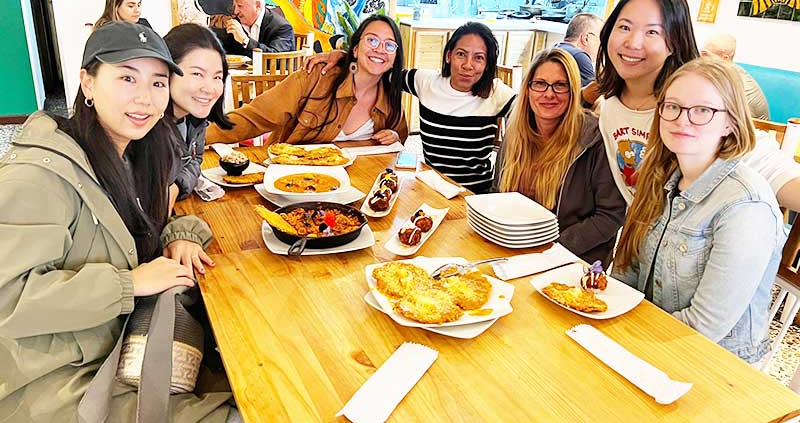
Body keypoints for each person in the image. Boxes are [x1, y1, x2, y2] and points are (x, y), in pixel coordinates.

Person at [0, 22, 238, 421]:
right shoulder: (37, 175)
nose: (144, 98)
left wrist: (180, 233)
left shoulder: (135, 154)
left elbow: (130, 234)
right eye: (127, 77)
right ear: (87, 84)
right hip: (56, 380)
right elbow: (8, 300)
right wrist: (129, 284)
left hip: (122, 340)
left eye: (158, 83)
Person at [612, 57, 785, 364]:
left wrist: (624, 343)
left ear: (730, 122)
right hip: (648, 343)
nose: (682, 120)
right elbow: (626, 274)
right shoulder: (659, 178)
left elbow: (703, 327)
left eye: (703, 110)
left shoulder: (745, 205)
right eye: (673, 106)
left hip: (714, 367)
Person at [595, 0, 800, 211]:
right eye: (625, 27)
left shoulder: (691, 110)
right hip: (645, 236)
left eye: (652, 32)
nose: (633, 42)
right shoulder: (609, 108)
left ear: (674, 42)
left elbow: (767, 165)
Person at [305, 21, 515, 193]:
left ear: (487, 64)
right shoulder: (426, 81)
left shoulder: (497, 93)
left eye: (479, 58)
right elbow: (380, 68)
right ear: (449, 56)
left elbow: (532, 113)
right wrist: (345, 57)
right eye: (461, 54)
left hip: (476, 193)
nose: (468, 65)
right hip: (433, 186)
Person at [492, 48, 625, 264]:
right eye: (540, 83)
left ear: (574, 92)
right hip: (513, 252)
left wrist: (553, 251)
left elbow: (611, 216)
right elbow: (497, 192)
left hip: (570, 262)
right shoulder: (515, 134)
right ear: (528, 89)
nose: (549, 94)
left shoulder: (595, 139)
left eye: (560, 85)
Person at [206, 14, 407, 146]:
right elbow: (253, 118)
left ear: (395, 58)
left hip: (354, 189)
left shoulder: (391, 97)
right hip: (292, 182)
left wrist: (395, 137)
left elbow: (399, 136)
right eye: (372, 40)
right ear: (355, 48)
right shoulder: (316, 77)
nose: (380, 49)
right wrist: (197, 140)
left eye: (390, 45)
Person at [164, 23, 234, 210]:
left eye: (217, 77)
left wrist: (177, 186)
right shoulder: (143, 126)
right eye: (197, 73)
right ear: (167, 71)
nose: (210, 88)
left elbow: (195, 160)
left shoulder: (194, 119)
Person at [701, 32, 770, 120]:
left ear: (724, 58)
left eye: (705, 55)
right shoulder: (727, 72)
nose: (700, 59)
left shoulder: (735, 83)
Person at [212, 0, 295, 57]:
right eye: (235, 6)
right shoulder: (237, 22)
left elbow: (276, 59)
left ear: (257, 5)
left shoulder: (282, 27)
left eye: (240, 6)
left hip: (277, 80)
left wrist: (245, 41)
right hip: (242, 78)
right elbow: (223, 44)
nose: (236, 11)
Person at [553, 13, 604, 87]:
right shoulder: (579, 56)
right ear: (586, 38)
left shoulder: (555, 48)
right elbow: (593, 93)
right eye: (601, 40)